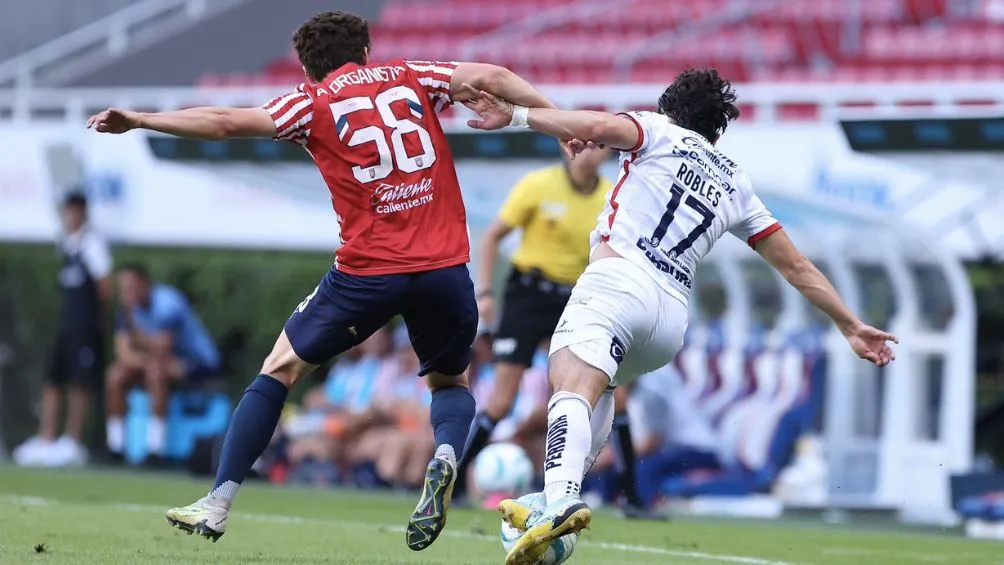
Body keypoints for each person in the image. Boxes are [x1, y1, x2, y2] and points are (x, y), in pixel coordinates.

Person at [86, 11, 556, 550]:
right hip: (445, 269)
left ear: (308, 67)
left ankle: (218, 502)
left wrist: (142, 119)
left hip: (368, 272)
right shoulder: (412, 76)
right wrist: (558, 120)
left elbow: (222, 122)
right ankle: (447, 454)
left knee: (280, 369)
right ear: (366, 50)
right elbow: (494, 77)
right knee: (450, 384)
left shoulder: (310, 101)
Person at [460, 69, 898, 565]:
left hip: (618, 282)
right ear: (718, 128)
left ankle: (557, 499)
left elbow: (598, 126)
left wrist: (518, 115)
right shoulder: (736, 183)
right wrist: (849, 323)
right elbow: (796, 266)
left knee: (567, 382)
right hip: (668, 322)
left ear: (670, 109)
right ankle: (551, 507)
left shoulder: (658, 131)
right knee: (601, 390)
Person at [460, 147, 657, 506]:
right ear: (567, 148)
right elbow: (491, 237)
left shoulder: (611, 196)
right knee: (503, 400)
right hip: (527, 296)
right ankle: (454, 485)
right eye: (577, 143)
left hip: (577, 297)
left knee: (616, 396)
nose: (585, 152)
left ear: (605, 153)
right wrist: (485, 292)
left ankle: (631, 495)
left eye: (596, 145)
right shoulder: (537, 186)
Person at [12, 193, 112, 467]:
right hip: (66, 325)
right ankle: (46, 438)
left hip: (85, 327)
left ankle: (72, 440)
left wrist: (94, 322)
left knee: (80, 383)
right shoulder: (66, 245)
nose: (70, 217)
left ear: (83, 213)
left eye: (75, 212)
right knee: (53, 380)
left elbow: (103, 285)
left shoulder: (93, 245)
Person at [104, 263, 221, 464]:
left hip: (197, 362)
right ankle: (116, 447)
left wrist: (137, 338)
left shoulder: (168, 303)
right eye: (123, 288)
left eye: (131, 288)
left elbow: (163, 348)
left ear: (145, 284)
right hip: (155, 362)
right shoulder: (126, 310)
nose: (126, 293)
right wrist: (140, 356)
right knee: (115, 375)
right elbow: (123, 354)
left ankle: (155, 449)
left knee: (155, 373)